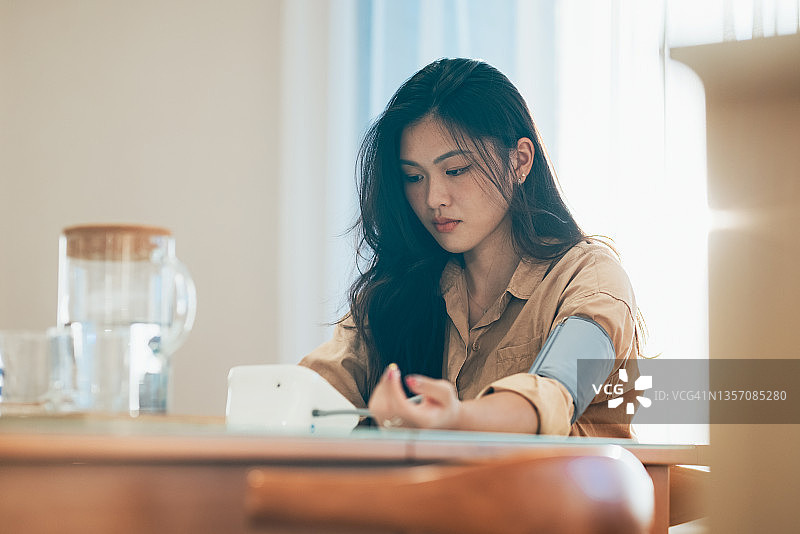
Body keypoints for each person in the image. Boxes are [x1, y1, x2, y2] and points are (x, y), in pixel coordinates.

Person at [300, 58, 640, 437]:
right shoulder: (398, 287)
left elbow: (558, 388)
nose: (433, 198)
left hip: (560, 494)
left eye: (456, 170)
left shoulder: (588, 276)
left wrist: (454, 419)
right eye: (414, 177)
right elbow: (315, 393)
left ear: (519, 161)